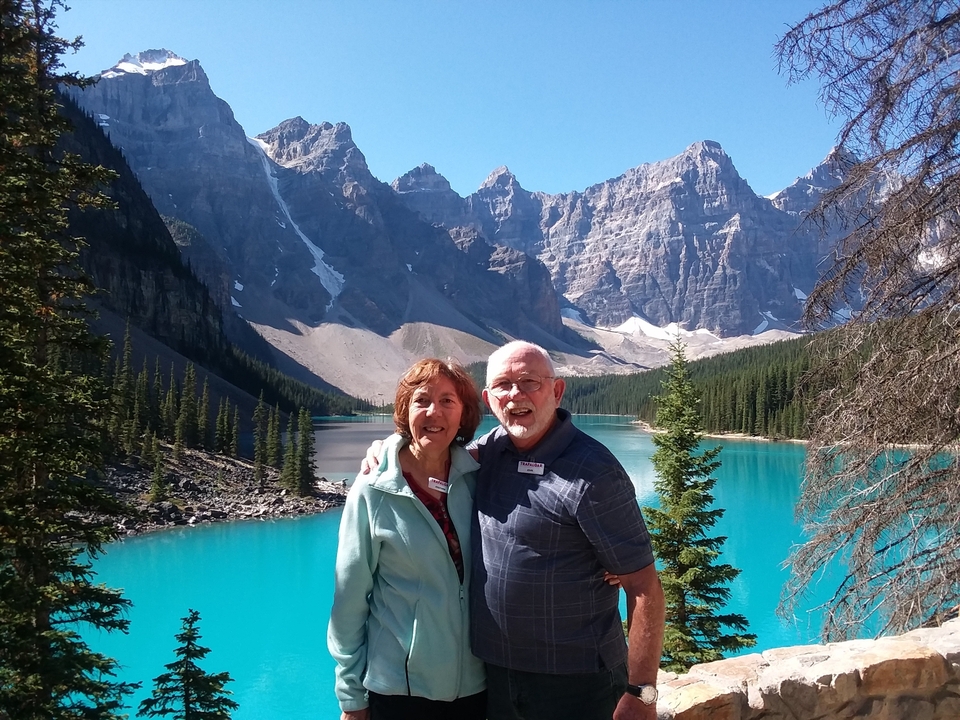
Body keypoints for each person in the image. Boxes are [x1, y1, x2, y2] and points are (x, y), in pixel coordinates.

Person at [363, 341, 665, 720]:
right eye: (504, 385)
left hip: (577, 682)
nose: (516, 395)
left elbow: (644, 587)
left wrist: (641, 692)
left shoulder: (595, 472)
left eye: (529, 382)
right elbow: (431, 451)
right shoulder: (488, 452)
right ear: (489, 400)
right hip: (495, 676)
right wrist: (392, 446)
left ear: (556, 391)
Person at [327, 358, 487, 720]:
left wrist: (597, 560)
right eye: (422, 400)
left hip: (476, 687)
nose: (435, 412)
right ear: (404, 409)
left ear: (463, 414)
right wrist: (351, 696)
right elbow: (348, 601)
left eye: (448, 400)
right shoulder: (373, 489)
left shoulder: (477, 478)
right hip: (399, 691)